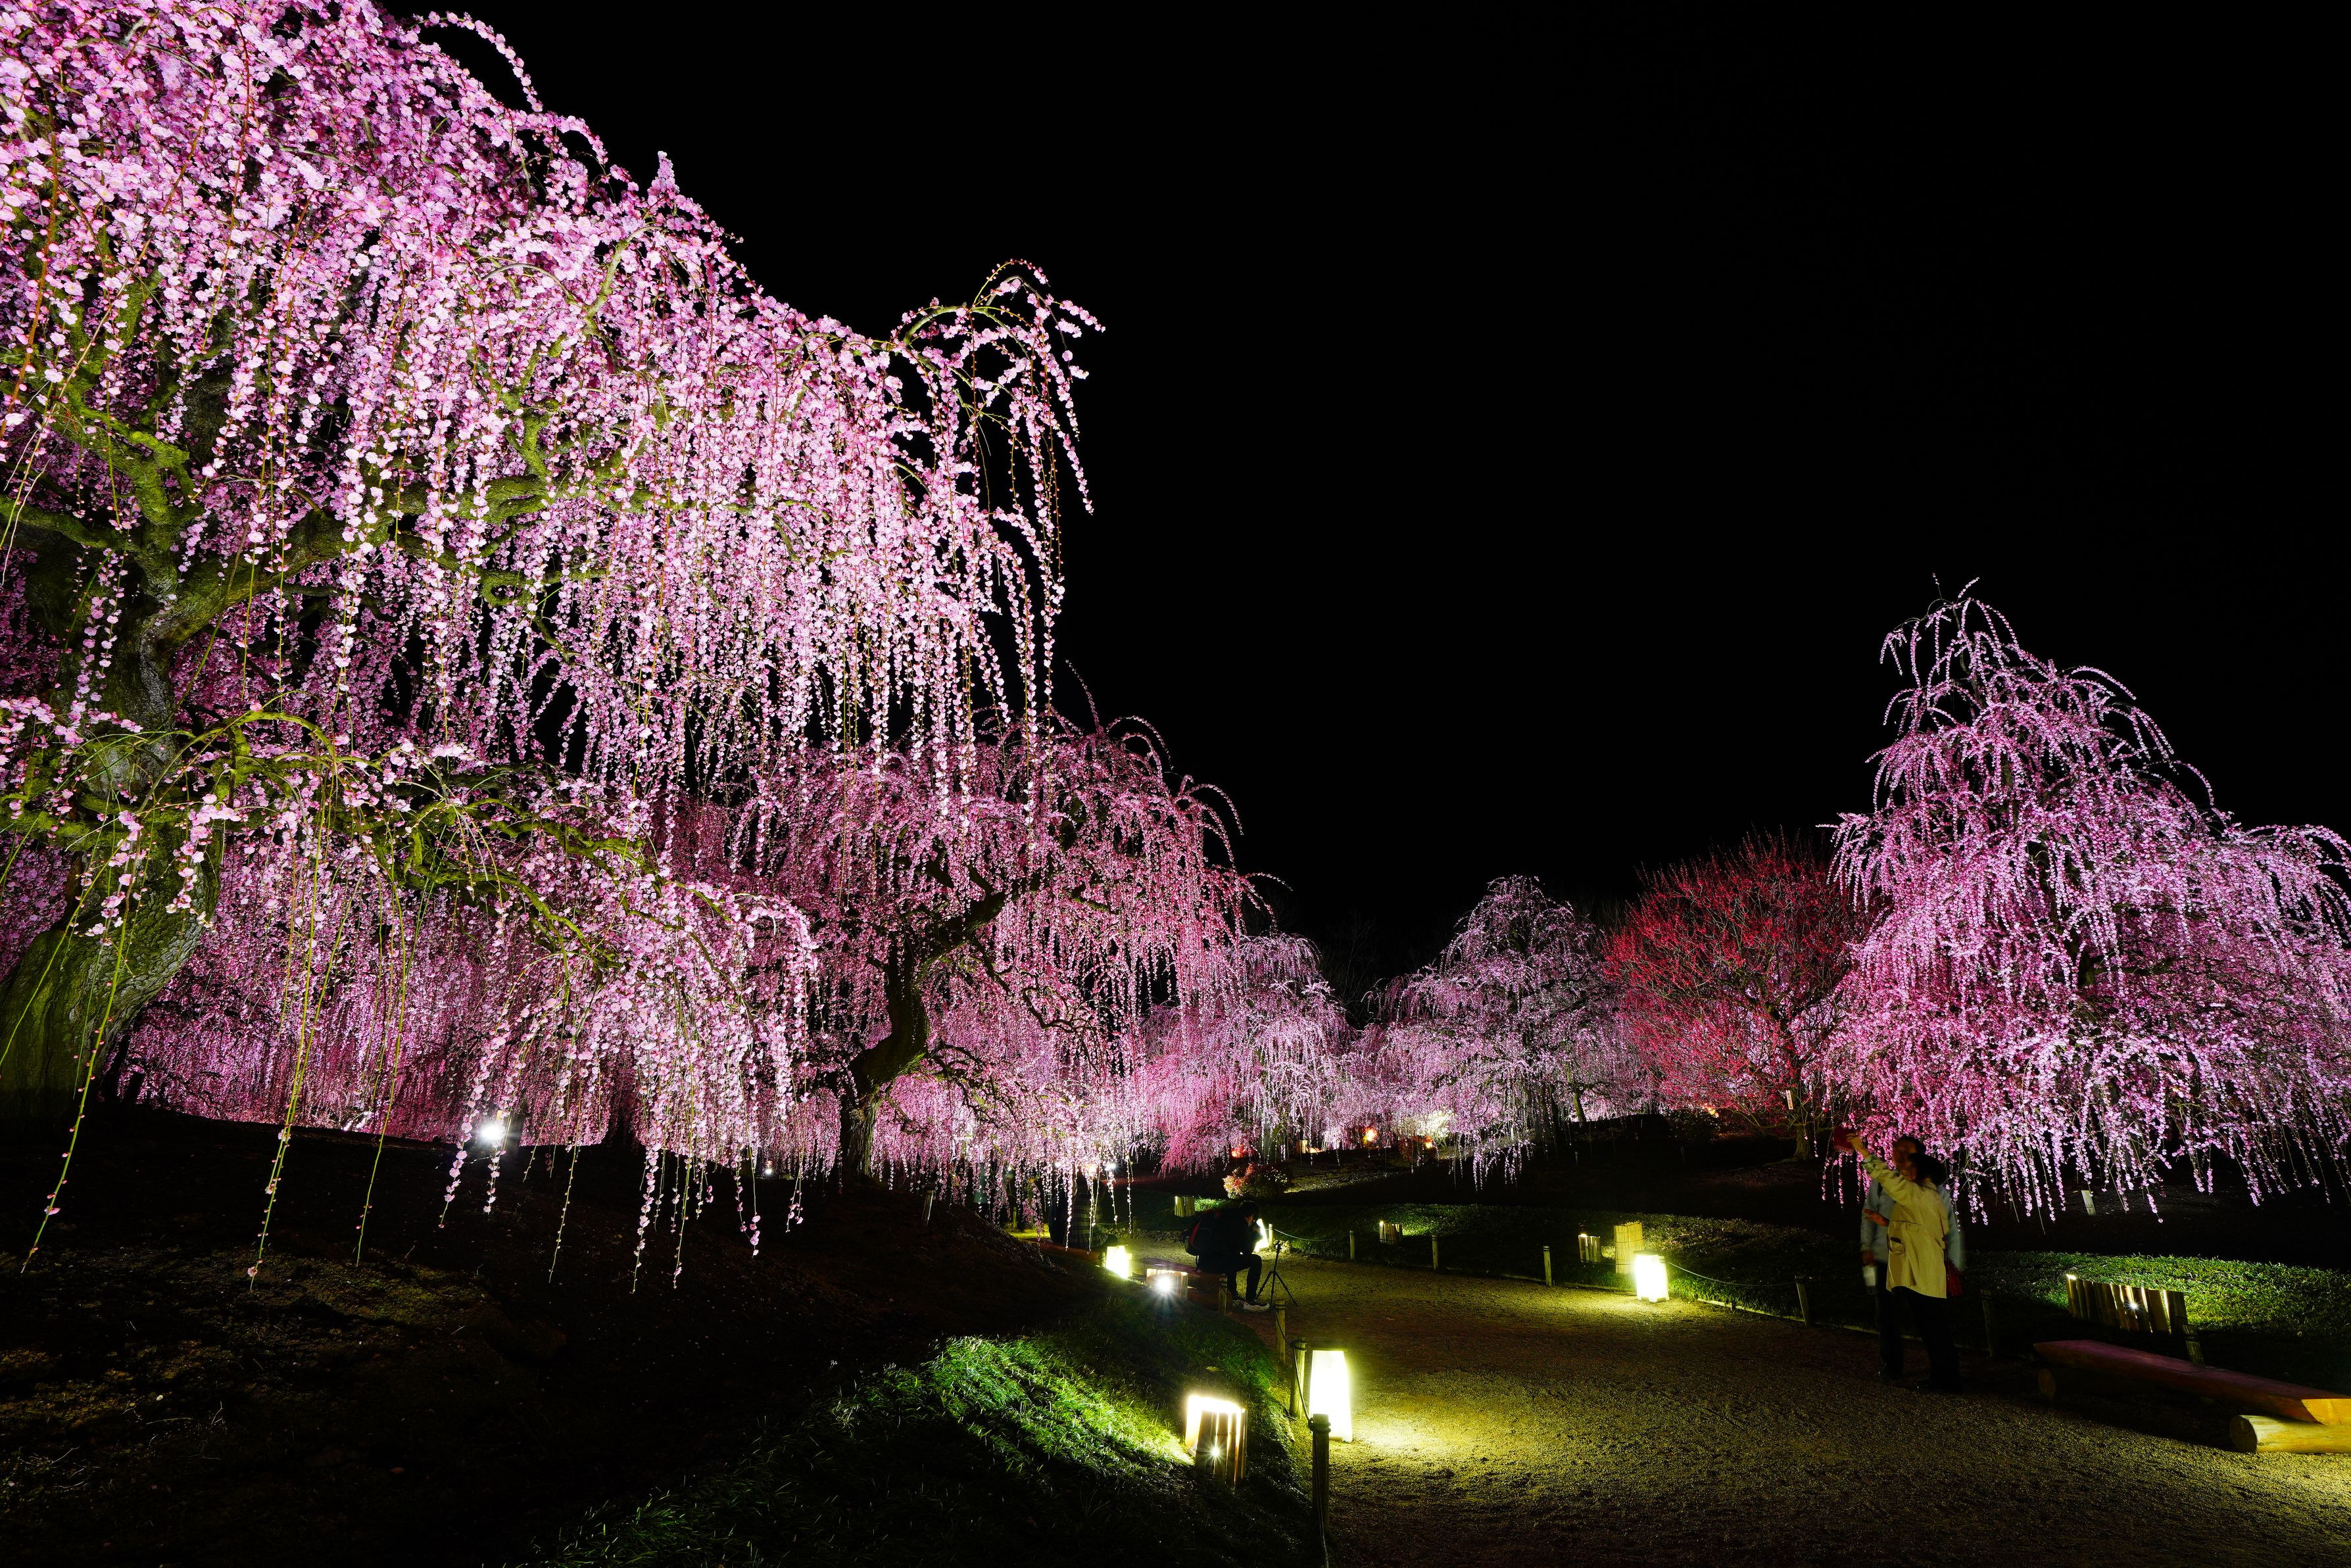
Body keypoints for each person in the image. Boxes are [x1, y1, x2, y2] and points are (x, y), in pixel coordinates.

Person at [1837, 1127, 1962, 1391]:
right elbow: (1918, 1227)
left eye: (1911, 1166)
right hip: (1920, 1270)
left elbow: (1887, 1178)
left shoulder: (1918, 1194)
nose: (1905, 1168)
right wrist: (1885, 1223)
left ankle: (1945, 1380)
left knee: (1932, 1328)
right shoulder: (1927, 1197)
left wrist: (1861, 1149)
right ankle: (1943, 1376)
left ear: (1923, 1172)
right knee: (1932, 1326)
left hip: (1920, 1271)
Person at [1186, 1199, 1269, 1311]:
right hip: (1215, 1263)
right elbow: (1247, 1251)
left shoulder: (1226, 1216)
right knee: (1256, 1260)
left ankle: (1233, 1295)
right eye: (1253, 1220)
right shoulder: (1240, 1223)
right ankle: (1250, 1300)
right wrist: (1256, 1235)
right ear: (1251, 1217)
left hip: (1204, 1261)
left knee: (1232, 1255)